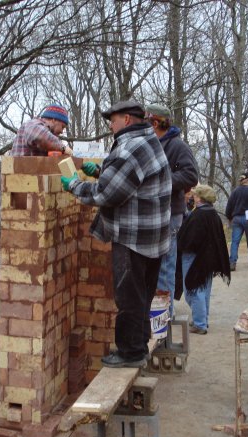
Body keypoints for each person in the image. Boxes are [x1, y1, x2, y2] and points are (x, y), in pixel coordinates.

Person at [61, 100, 172, 368]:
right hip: (152, 235)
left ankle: (130, 353)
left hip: (134, 236)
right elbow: (133, 180)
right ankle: (140, 342)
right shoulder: (146, 140)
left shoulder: (129, 148)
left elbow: (107, 194)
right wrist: (101, 172)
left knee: (128, 296)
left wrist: (74, 185)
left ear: (128, 120)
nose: (110, 124)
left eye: (114, 119)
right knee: (142, 293)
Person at [145, 103, 199, 317]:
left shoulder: (177, 146)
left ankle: (165, 315)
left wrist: (161, 181)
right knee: (153, 267)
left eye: (147, 122)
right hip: (153, 214)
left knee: (166, 267)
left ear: (156, 122)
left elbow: (190, 176)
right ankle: (157, 312)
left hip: (170, 215)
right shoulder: (152, 144)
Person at [175, 185, 230, 334]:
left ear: (200, 198)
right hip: (207, 259)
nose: (193, 197)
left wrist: (180, 244)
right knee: (204, 290)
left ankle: (200, 324)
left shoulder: (199, 215)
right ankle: (202, 319)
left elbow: (190, 240)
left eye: (196, 195)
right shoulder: (213, 214)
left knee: (193, 290)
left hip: (195, 258)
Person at [225, 173, 248, 271]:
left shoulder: (234, 192)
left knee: (235, 241)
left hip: (236, 218)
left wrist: (229, 217)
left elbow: (229, 206)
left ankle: (232, 262)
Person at [9, 104, 73, 156]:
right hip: (22, 170)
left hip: (31, 170)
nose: (61, 131)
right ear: (54, 120)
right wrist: (64, 148)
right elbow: (39, 136)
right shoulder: (33, 124)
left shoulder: (48, 141)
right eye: (62, 127)